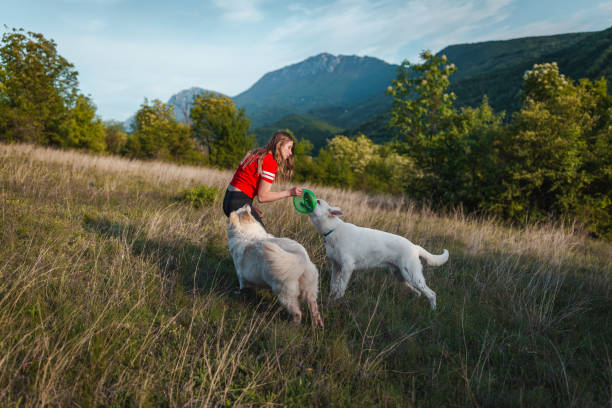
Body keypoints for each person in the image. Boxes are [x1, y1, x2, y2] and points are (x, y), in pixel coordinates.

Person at [223, 130, 302, 230]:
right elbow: (262, 197)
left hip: (229, 199)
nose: (290, 153)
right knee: (262, 241)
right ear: (279, 145)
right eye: (289, 148)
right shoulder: (270, 161)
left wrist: (249, 206)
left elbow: (242, 182)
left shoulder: (256, 153)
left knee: (247, 242)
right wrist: (289, 192)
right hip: (239, 204)